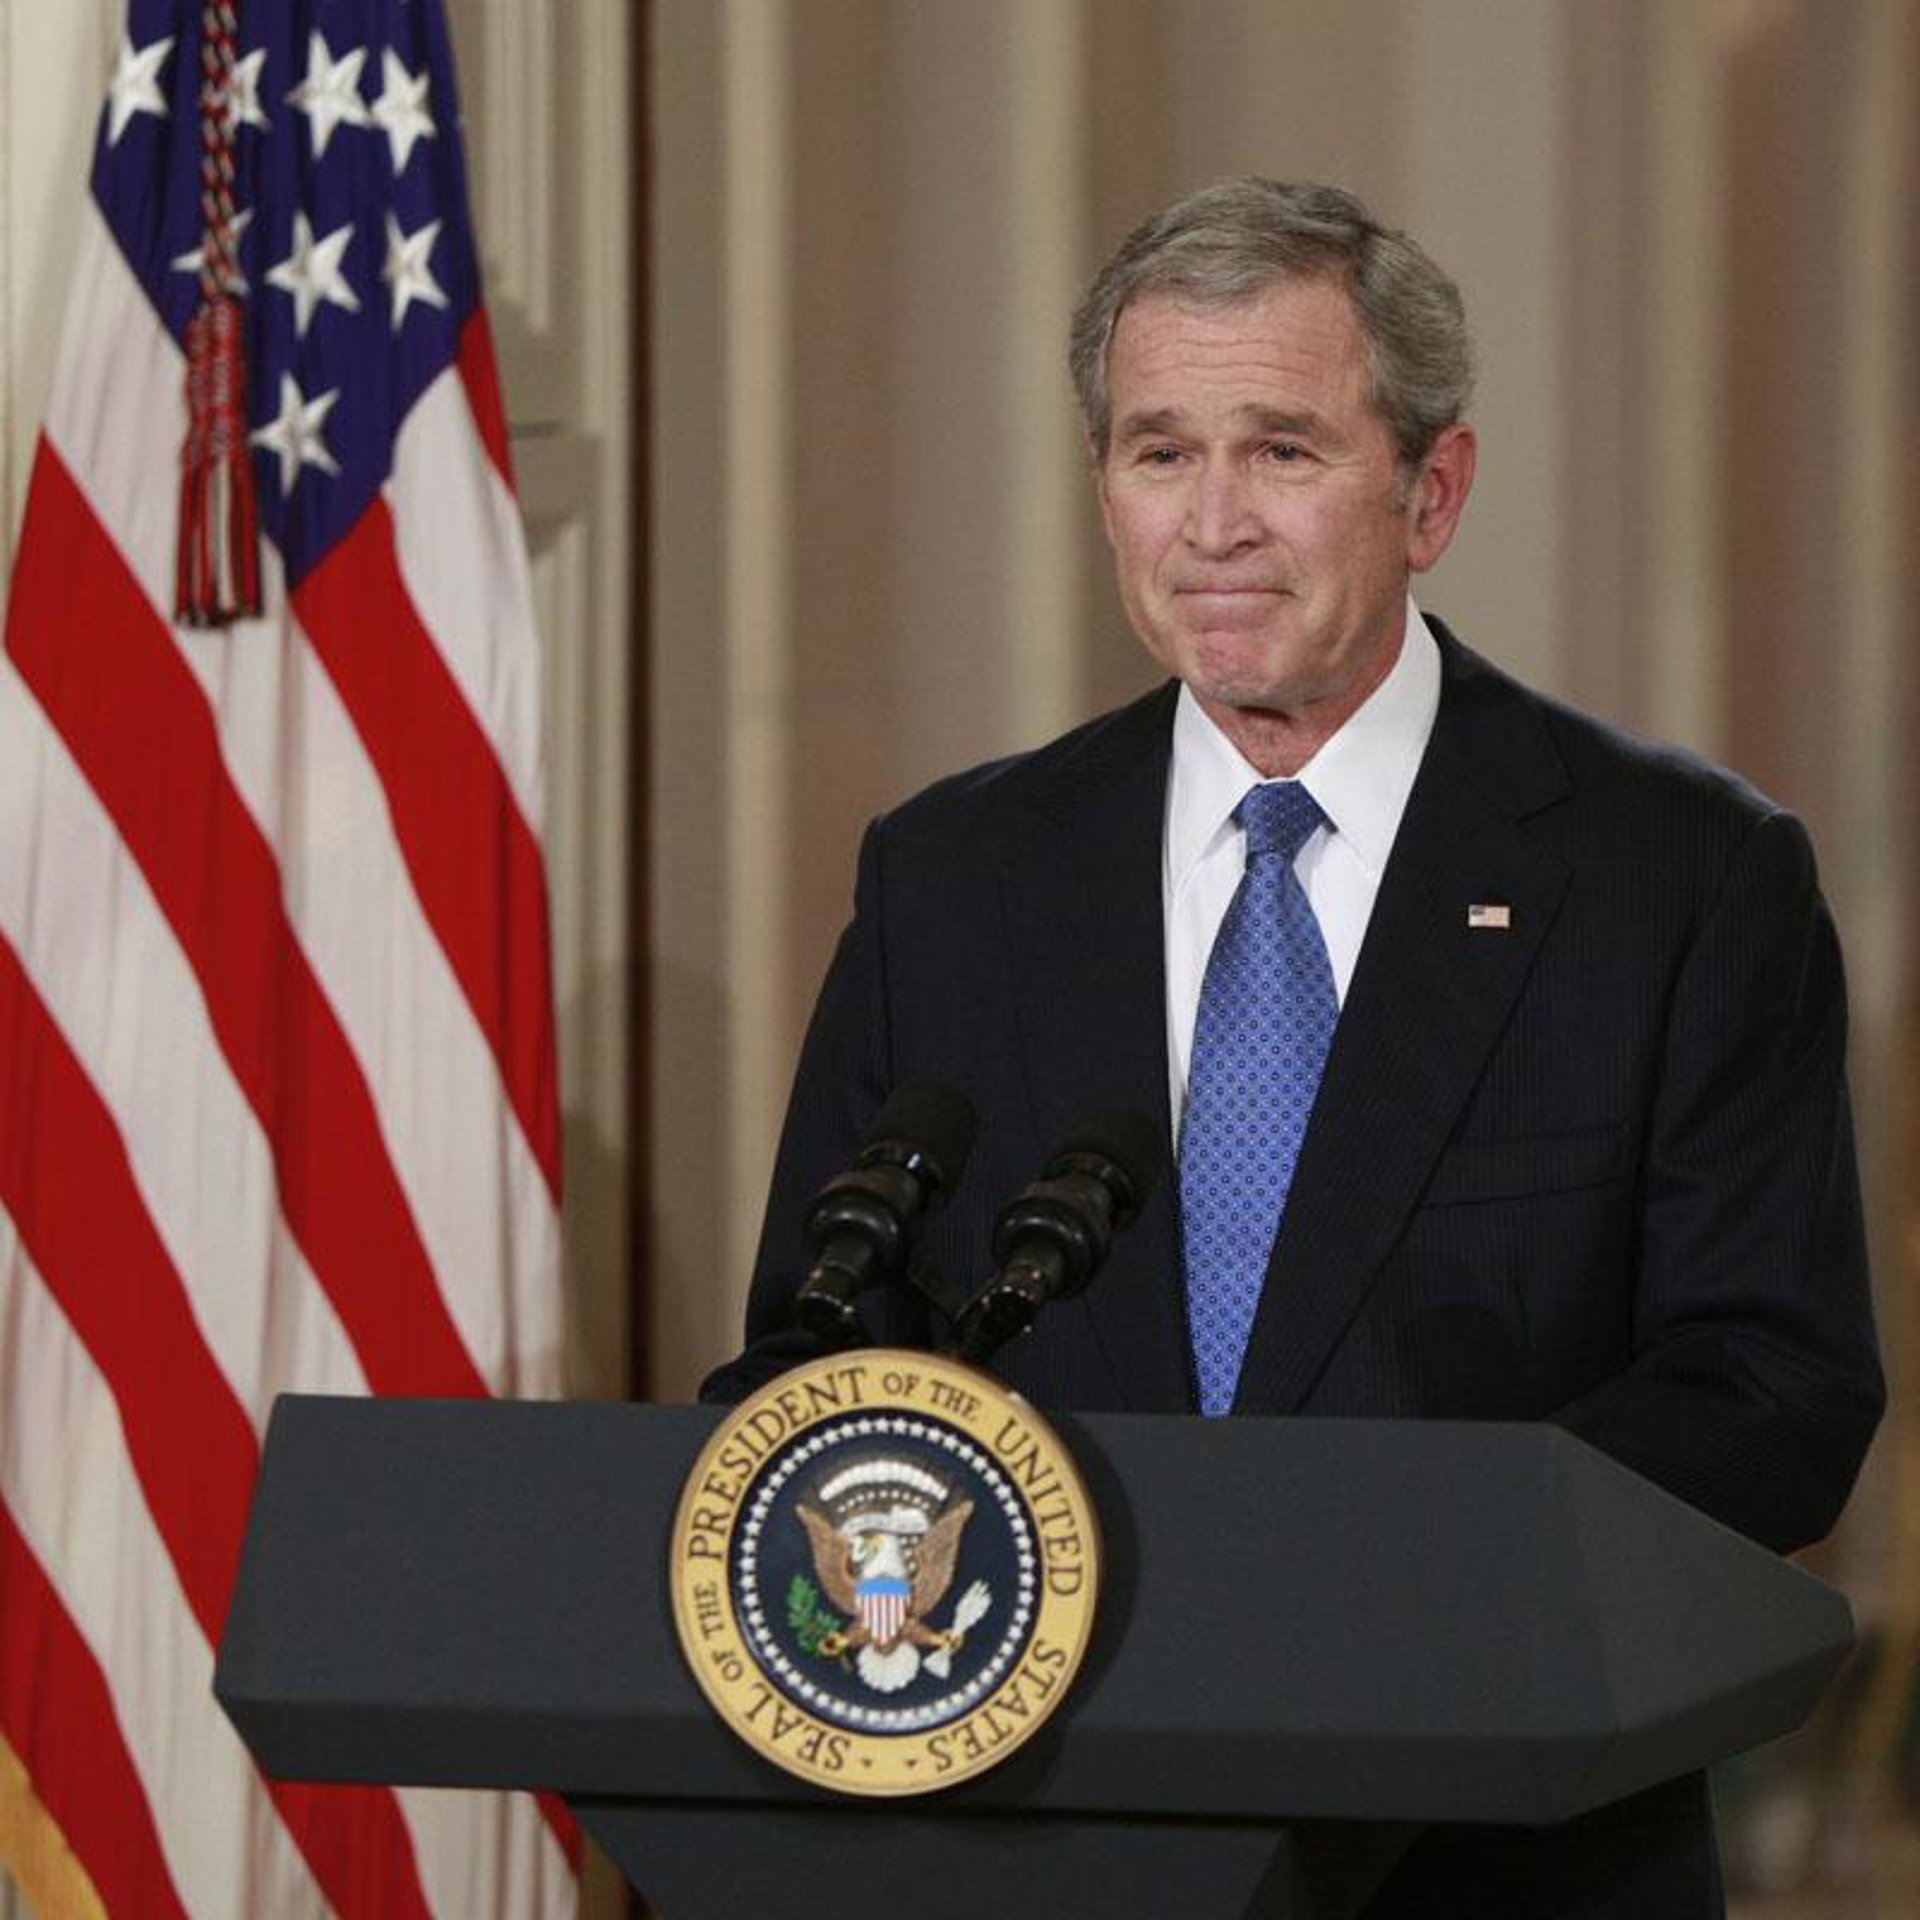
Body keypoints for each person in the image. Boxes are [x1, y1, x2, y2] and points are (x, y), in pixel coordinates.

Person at [701, 178, 1883, 1915]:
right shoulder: (956, 879)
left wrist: (1364, 1581)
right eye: (1160, 452)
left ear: (1433, 493)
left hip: (1496, 1857)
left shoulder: (1677, 878)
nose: (1213, 523)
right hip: (1036, 1848)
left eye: (1282, 450)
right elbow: (816, 1362)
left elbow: (1775, 1394)